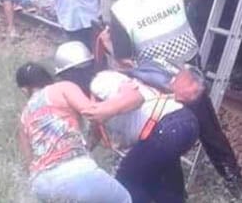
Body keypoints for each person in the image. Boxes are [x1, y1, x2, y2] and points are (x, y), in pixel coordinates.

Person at [104, 0, 242, 198]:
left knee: (165, 135)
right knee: (209, 131)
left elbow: (124, 60)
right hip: (188, 74)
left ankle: (177, 195)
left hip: (157, 84)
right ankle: (236, 186)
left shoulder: (119, 9)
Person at [55, 42, 199, 203]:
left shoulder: (100, 81)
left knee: (127, 181)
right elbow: (95, 133)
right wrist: (77, 156)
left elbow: (135, 98)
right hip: (182, 124)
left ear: (72, 75)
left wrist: (106, 111)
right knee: (164, 186)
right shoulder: (94, 93)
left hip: (167, 128)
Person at [15, 62, 132, 203]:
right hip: (75, 172)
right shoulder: (63, 88)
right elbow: (92, 112)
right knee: (124, 199)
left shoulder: (24, 116)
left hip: (42, 184)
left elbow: (29, 161)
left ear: (24, 90)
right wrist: (126, 98)